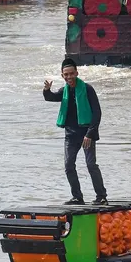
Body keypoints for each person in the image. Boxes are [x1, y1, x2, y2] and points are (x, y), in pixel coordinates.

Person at [44, 58, 106, 205]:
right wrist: (46, 90)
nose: (69, 77)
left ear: (77, 73)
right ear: (62, 76)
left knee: (91, 165)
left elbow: (97, 113)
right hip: (70, 135)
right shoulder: (64, 91)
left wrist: (90, 134)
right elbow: (51, 98)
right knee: (68, 166)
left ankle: (101, 196)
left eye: (72, 74)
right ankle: (77, 197)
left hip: (86, 135)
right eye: (66, 74)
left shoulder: (87, 89)